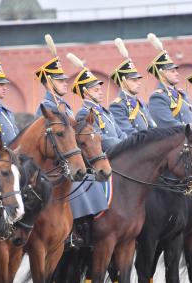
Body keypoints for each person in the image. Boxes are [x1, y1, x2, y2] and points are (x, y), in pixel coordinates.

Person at [67, 52, 127, 245]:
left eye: (100, 88)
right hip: (97, 160)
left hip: (113, 155)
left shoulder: (104, 111)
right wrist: (123, 146)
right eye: (95, 89)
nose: (100, 91)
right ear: (86, 92)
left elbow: (119, 133)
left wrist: (127, 144)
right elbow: (99, 139)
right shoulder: (85, 113)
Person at [146, 33, 192, 128]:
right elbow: (169, 125)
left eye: (176, 71)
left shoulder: (181, 94)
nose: (177, 73)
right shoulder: (157, 97)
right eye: (172, 71)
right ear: (162, 74)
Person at [109, 38, 156, 136]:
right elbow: (128, 132)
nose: (139, 83)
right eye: (134, 80)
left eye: (138, 80)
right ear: (123, 82)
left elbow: (151, 126)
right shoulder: (117, 105)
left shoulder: (140, 102)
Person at [35, 34, 73, 118]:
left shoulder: (62, 104)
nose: (65, 84)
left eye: (64, 80)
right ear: (49, 83)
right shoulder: (47, 106)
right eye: (60, 81)